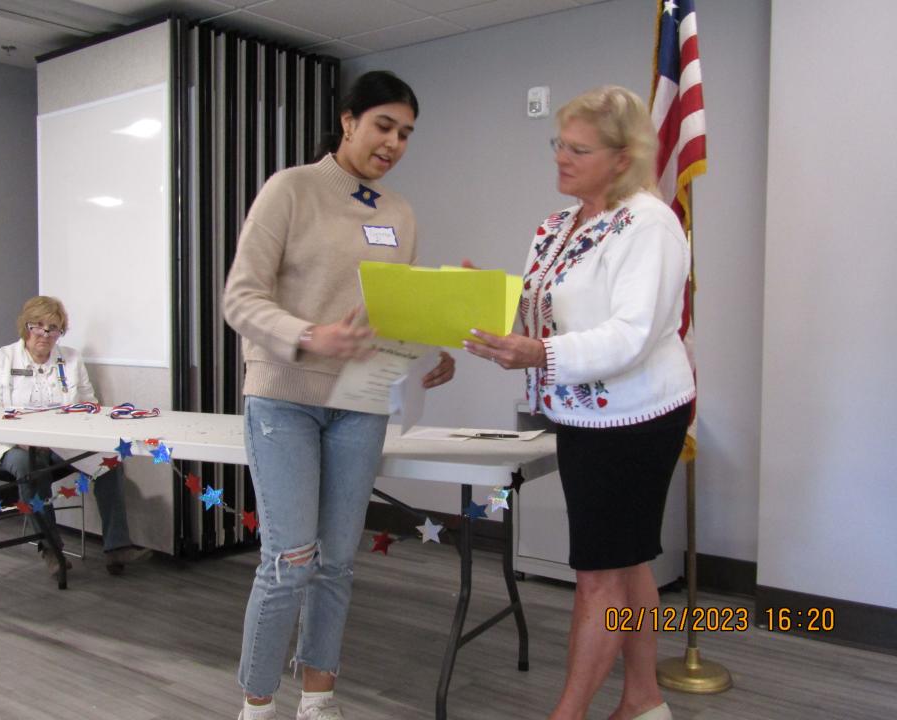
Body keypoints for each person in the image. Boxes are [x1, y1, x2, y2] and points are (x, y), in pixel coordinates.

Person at [223, 70, 455, 720]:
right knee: (289, 560)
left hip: (362, 403)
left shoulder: (400, 214)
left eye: (407, 133)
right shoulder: (291, 190)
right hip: (285, 398)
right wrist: (308, 335)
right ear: (349, 120)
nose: (395, 143)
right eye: (384, 125)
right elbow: (239, 297)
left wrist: (435, 352)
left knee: (336, 563)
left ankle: (318, 698)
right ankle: (258, 703)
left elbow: (396, 315)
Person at [463, 86, 695, 720]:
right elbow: (544, 310)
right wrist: (480, 299)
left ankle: (567, 715)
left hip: (636, 418)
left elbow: (632, 333)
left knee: (600, 574)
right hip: (584, 416)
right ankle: (645, 702)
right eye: (558, 143)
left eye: (578, 148)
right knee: (626, 562)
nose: (561, 157)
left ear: (622, 158)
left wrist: (538, 356)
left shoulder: (649, 223)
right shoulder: (559, 225)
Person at [0, 296, 150, 577]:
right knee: (29, 466)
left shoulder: (70, 359)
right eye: (39, 327)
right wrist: (22, 436)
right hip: (12, 443)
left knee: (109, 461)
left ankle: (117, 546)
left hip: (61, 441)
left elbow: (89, 403)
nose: (45, 335)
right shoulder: (1, 358)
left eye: (53, 329)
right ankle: (51, 549)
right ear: (26, 326)